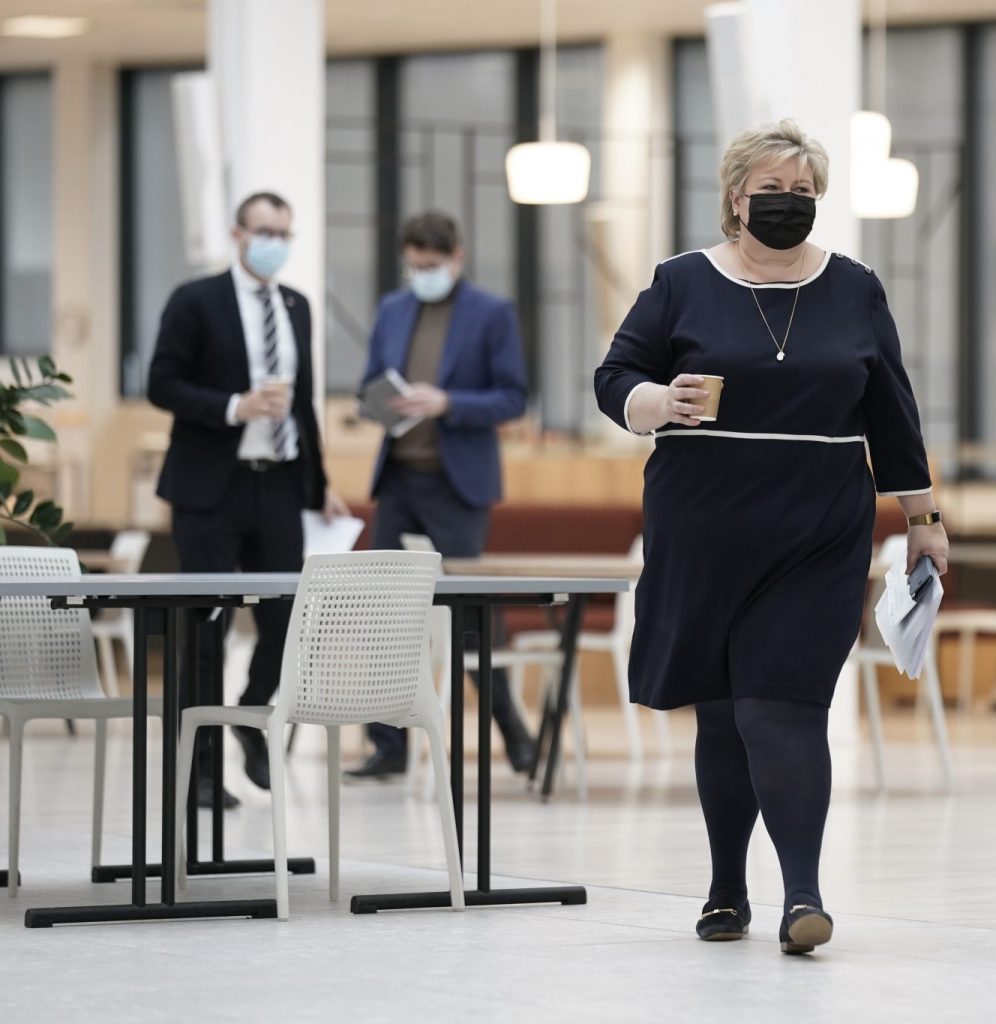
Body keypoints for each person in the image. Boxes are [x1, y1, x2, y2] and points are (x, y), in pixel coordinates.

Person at [594, 119, 949, 955]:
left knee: (781, 703)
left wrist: (924, 520)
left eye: (804, 191)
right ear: (735, 197)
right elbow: (614, 378)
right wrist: (659, 403)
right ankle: (726, 888)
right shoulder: (682, 281)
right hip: (704, 527)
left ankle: (803, 896)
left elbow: (892, 414)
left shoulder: (855, 288)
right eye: (773, 191)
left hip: (818, 529)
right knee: (722, 713)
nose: (789, 203)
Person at [148, 191, 350, 808]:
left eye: (284, 234)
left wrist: (320, 482)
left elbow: (304, 400)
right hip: (211, 487)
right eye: (264, 231)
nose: (274, 244)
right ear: (238, 234)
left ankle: (250, 716)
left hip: (279, 483)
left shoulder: (296, 305)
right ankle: (202, 768)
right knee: (206, 627)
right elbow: (161, 383)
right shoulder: (196, 300)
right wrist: (235, 406)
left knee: (287, 620)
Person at [346, 210, 535, 781]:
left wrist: (447, 403)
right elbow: (367, 385)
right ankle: (388, 745)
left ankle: (513, 733)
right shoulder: (392, 309)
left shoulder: (491, 312)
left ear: (457, 257)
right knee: (384, 616)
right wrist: (378, 404)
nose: (422, 274)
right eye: (414, 266)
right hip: (399, 477)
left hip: (457, 484)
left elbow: (512, 397)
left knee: (471, 617)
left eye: (431, 264)